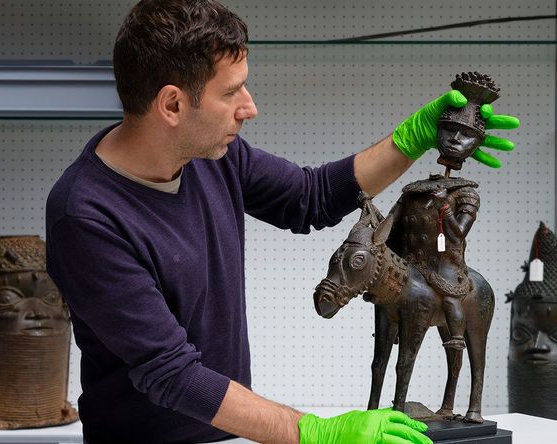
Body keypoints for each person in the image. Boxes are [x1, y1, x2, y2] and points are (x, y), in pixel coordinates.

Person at [45, 1, 519, 443]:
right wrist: (317, 432)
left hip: (226, 436)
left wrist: (413, 137)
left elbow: (310, 198)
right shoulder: (87, 215)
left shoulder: (213, 157)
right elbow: (172, 374)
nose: (249, 107)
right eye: (230, 92)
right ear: (172, 105)